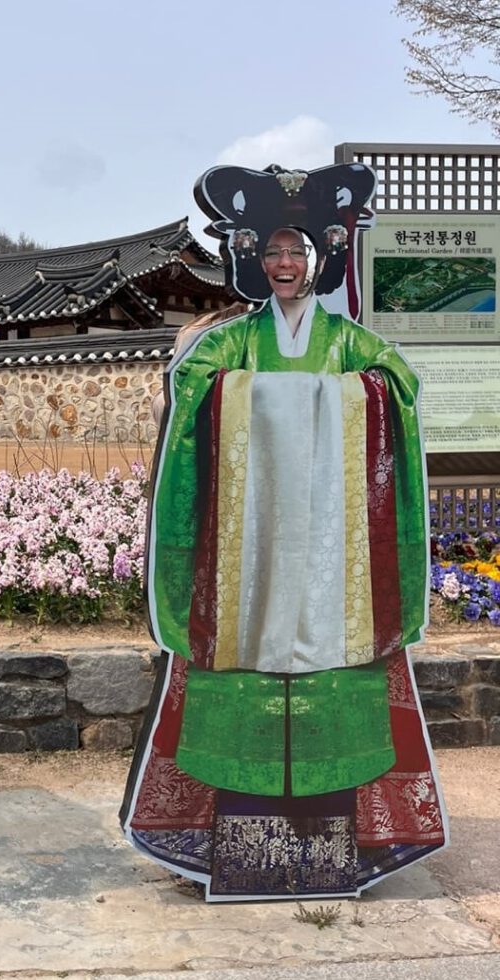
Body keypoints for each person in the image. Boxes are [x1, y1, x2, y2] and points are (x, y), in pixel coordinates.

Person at [120, 163, 447, 901]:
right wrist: (291, 402)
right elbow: (192, 381)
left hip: (338, 566)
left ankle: (336, 843)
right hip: (250, 560)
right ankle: (235, 842)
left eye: (296, 253)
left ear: (318, 261)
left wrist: (303, 401)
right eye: (272, 253)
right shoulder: (233, 341)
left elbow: (400, 384)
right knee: (240, 677)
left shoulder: (346, 340)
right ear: (253, 260)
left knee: (338, 682)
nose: (284, 265)